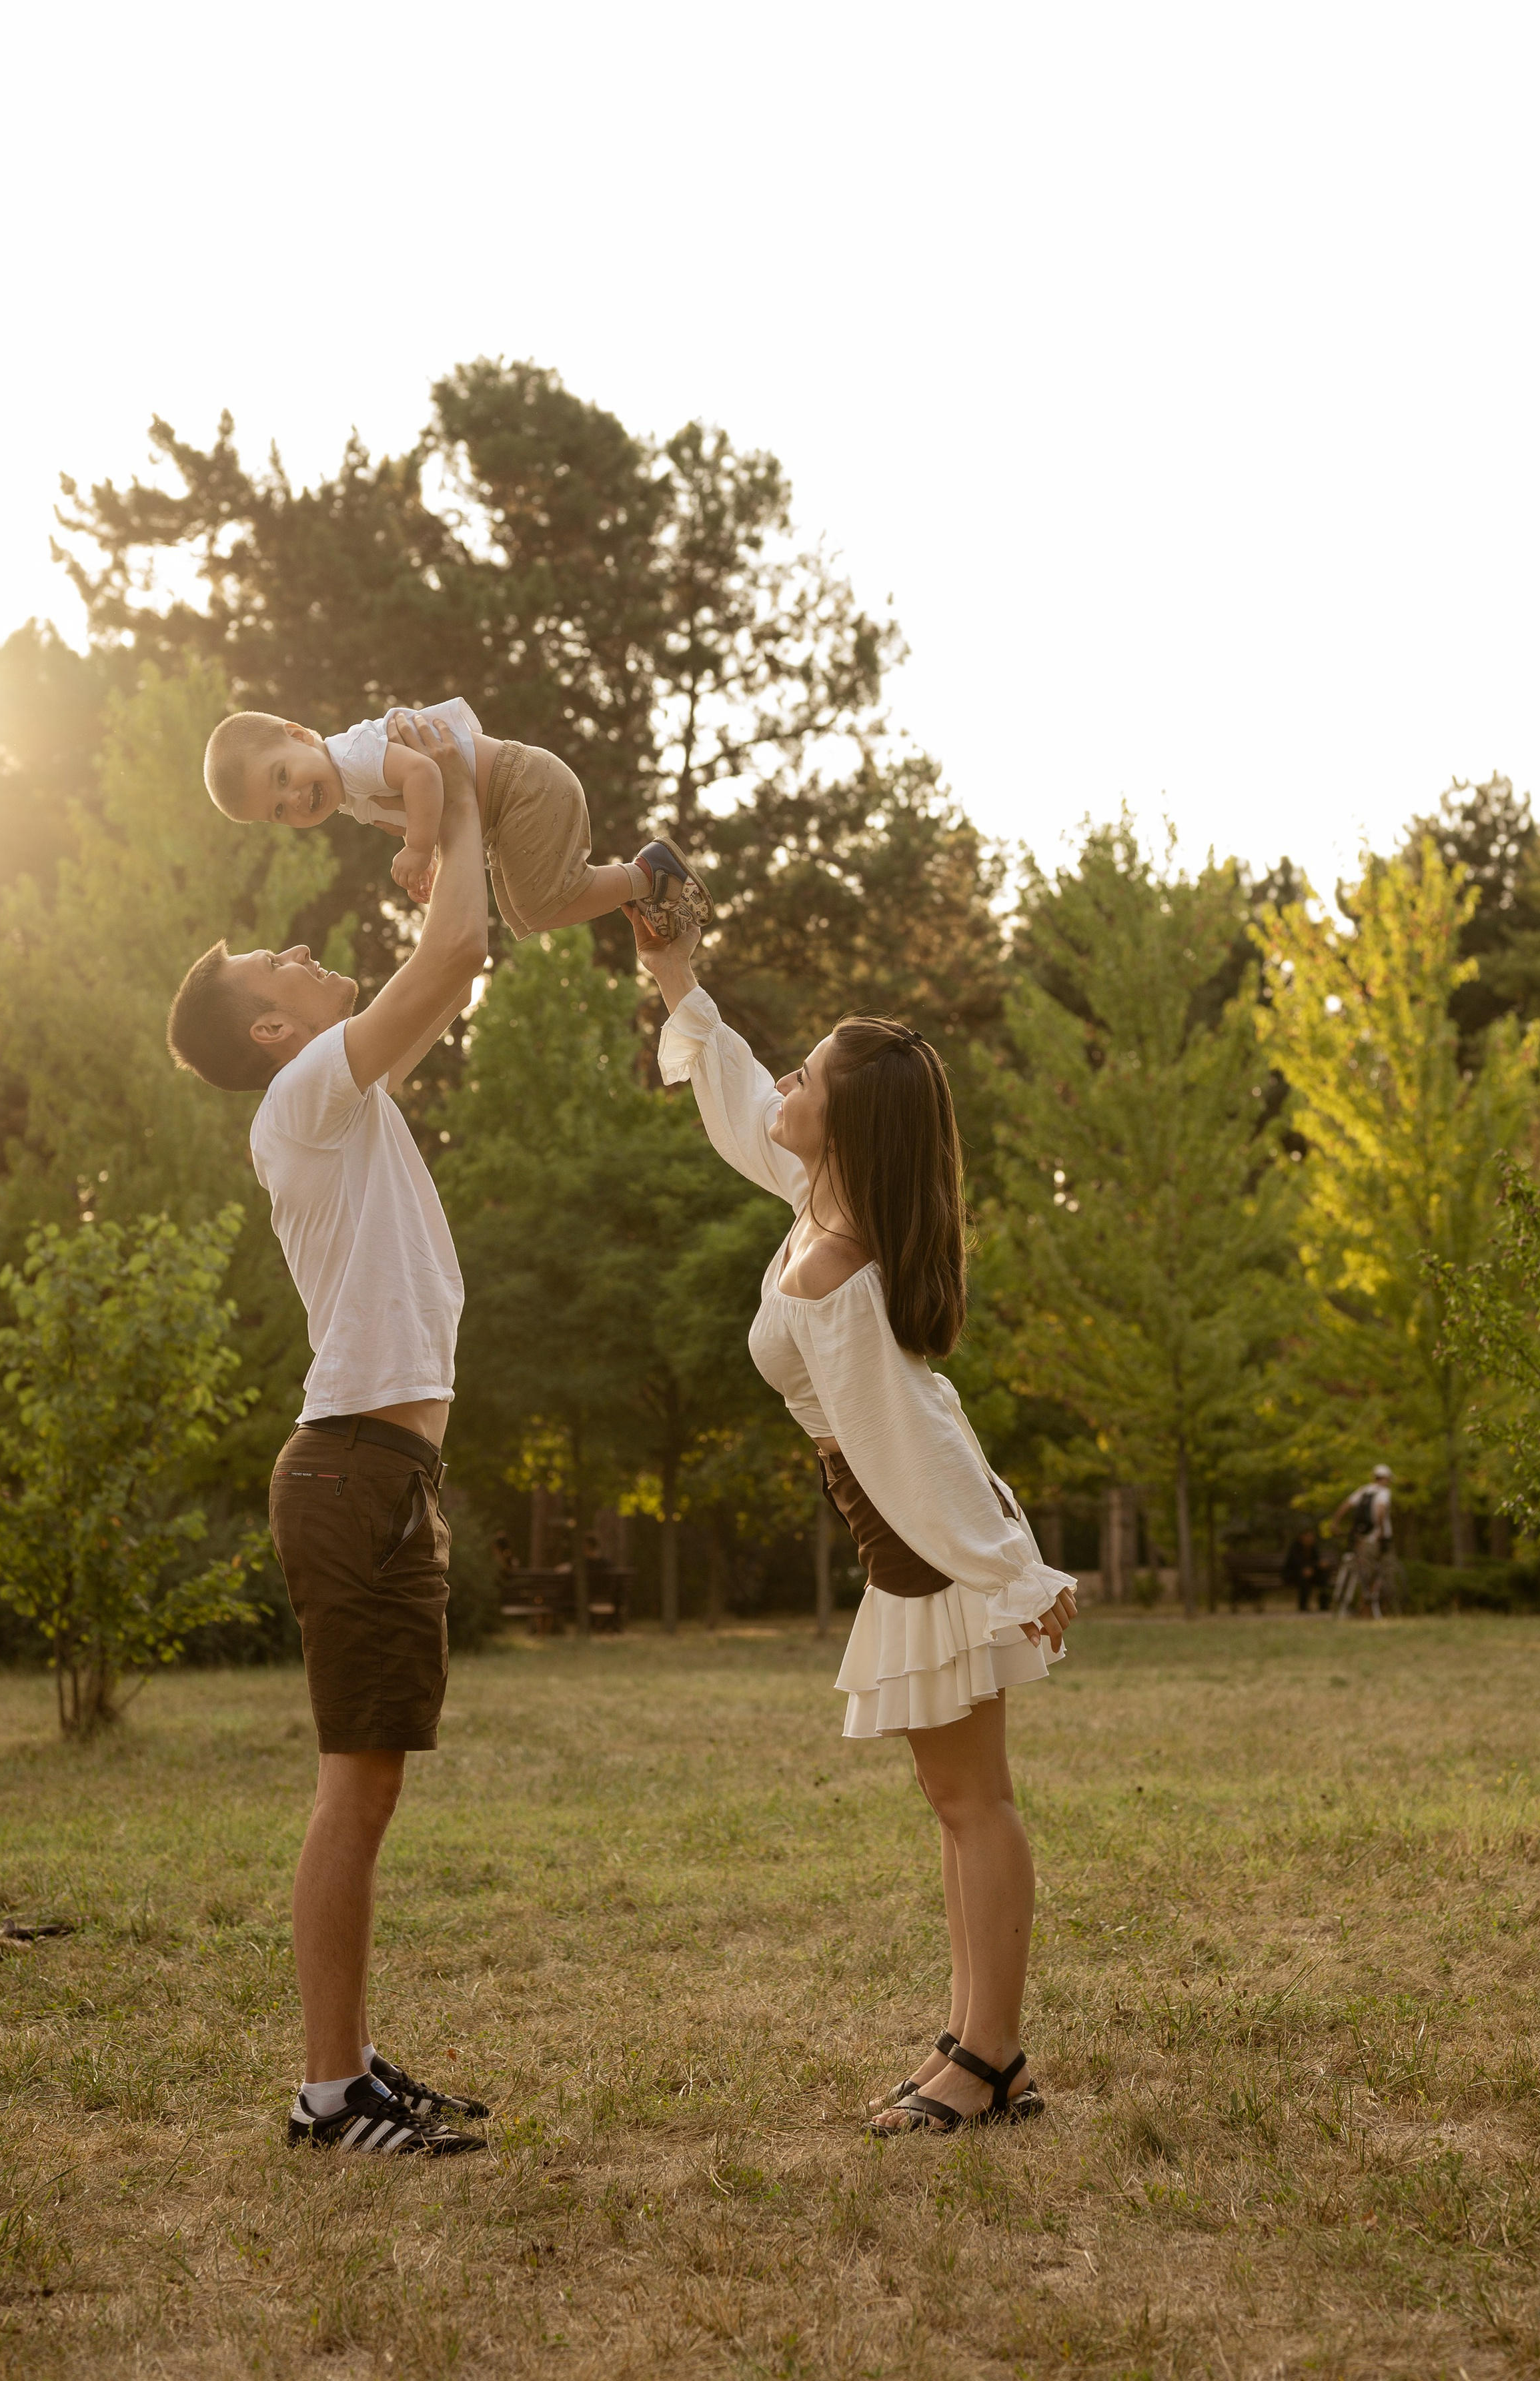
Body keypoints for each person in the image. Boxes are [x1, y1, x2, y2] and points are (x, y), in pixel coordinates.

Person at [636, 910, 1077, 2136]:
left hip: (926, 1532)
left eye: (808, 1077)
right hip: (909, 1526)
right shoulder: (822, 1209)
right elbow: (740, 1105)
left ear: (842, 1125)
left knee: (971, 1800)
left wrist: (1012, 1569)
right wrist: (678, 979)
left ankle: (992, 2058)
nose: (786, 1078)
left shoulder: (837, 1269)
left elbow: (915, 1441)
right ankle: (978, 2043)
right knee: (957, 1801)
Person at [167, 714, 492, 2159]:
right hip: (354, 1465)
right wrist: (456, 806)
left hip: (379, 1467)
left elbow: (447, 971)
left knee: (370, 1783)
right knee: (354, 1789)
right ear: (272, 1030)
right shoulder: (305, 1096)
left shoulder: (331, 1099)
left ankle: (345, 2064)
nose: (307, 953)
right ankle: (327, 2093)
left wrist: (421, 821)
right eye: (283, 966)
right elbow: (458, 955)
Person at [201, 693, 709, 940]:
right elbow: (430, 813)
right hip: (500, 817)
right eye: (277, 810)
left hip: (522, 786)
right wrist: (434, 862)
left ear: (299, 735)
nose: (292, 801)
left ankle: (648, 874)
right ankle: (645, 886)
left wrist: (418, 847)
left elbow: (424, 775)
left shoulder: (353, 755)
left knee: (534, 903)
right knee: (524, 915)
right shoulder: (351, 797)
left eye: (282, 777)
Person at [1332, 1464, 1395, 1619]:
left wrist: (1335, 1523)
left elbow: (1345, 1506)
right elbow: (1381, 1510)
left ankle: (1365, 1609)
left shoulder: (1363, 1490)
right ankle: (1372, 1609)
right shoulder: (1384, 1492)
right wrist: (1380, 1529)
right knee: (1383, 1571)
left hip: (1362, 1538)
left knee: (1365, 1573)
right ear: (1387, 1478)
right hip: (1379, 1539)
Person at [1282, 1523, 1331, 1613]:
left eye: (1311, 1536)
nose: (1310, 1539)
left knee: (1324, 1575)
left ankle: (1324, 1604)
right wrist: (1306, 1569)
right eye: (1307, 1536)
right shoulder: (1295, 1548)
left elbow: (1316, 1561)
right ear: (1301, 1537)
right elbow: (1295, 1563)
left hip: (1311, 1573)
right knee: (1304, 1577)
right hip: (1294, 1574)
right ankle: (1303, 1605)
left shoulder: (1313, 1548)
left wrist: (1318, 1566)